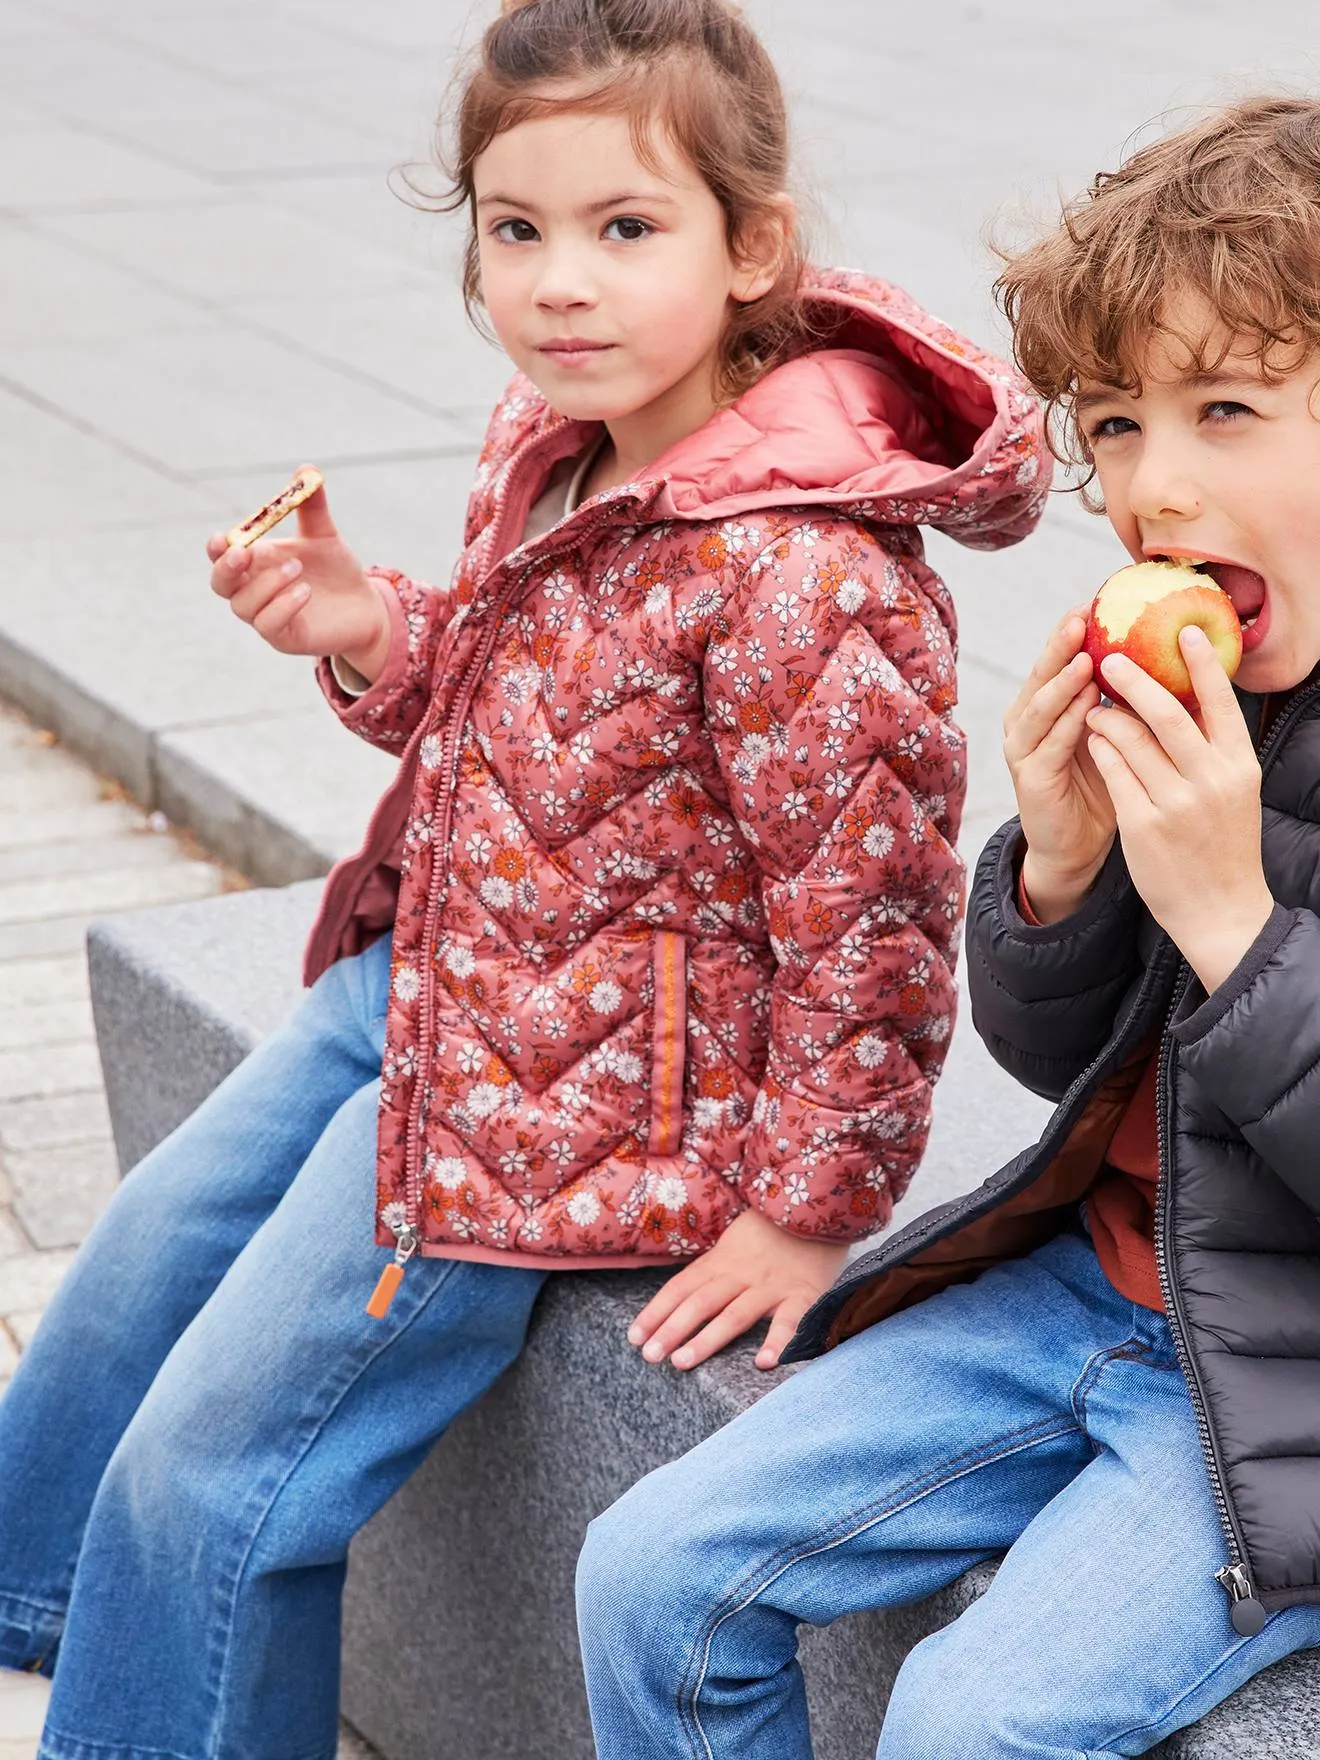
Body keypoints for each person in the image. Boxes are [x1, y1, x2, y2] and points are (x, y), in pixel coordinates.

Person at [0, 1, 1046, 1754]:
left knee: (212, 1471)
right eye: (516, 228)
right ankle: (44, 1608)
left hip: (568, 1106)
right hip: (437, 975)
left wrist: (811, 1199)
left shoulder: (805, 577)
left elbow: (870, 926)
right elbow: (527, 731)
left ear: (750, 245)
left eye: (626, 230)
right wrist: (364, 628)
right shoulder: (555, 442)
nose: (560, 282)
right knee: (134, 1263)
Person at [576, 93, 1320, 1759]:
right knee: (647, 1575)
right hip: (1093, 1294)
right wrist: (1058, 873)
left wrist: (1235, 925)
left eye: (1227, 408)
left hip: (1286, 1397)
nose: (1155, 486)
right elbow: (1058, 1053)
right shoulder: (1223, 697)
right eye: (1118, 425)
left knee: (968, 1724)